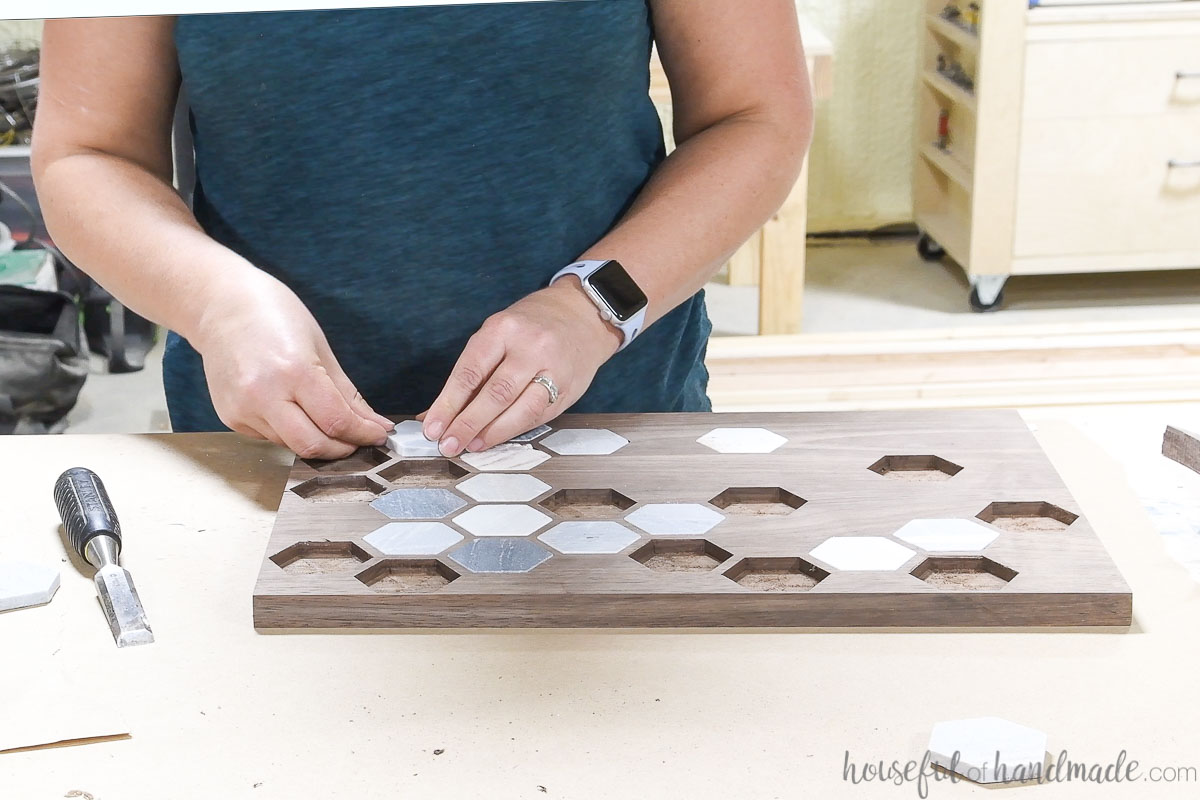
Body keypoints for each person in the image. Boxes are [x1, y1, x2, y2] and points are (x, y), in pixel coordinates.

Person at [32, 2, 812, 459]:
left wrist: (592, 307)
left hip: (609, 433)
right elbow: (87, 154)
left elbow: (754, 116)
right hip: (270, 445)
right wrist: (218, 306)